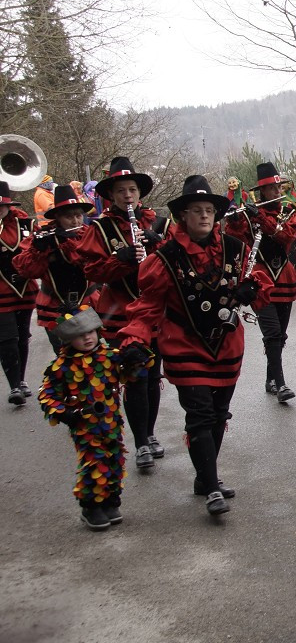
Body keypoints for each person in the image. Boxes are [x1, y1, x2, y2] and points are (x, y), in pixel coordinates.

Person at [119, 175, 269, 517]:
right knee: (199, 414)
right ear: (182, 216)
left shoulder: (237, 248)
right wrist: (134, 340)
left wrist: (252, 292)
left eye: (209, 210)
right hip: (183, 345)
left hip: (227, 347)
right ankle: (212, 486)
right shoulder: (165, 258)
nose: (204, 216)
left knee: (218, 414)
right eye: (196, 210)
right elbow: (147, 307)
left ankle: (205, 477)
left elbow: (260, 290)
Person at [76, 157, 166, 469]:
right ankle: (140, 441)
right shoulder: (100, 227)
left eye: (132, 190)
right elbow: (91, 270)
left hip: (153, 312)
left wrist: (159, 246)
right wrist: (122, 259)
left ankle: (151, 433)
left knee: (154, 376)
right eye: (121, 191)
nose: (128, 196)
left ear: (139, 193)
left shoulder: (154, 223)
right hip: (121, 314)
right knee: (135, 376)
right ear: (111, 196)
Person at [39, 306, 149, 530]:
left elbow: (130, 376)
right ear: (69, 339)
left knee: (114, 459)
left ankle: (109, 501)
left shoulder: (108, 356)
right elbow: (46, 395)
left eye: (90, 332)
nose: (87, 338)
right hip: (84, 425)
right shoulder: (62, 367)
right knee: (94, 463)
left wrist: (136, 361)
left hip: (111, 422)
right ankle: (91, 507)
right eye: (79, 335)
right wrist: (66, 414)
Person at [225, 162, 296, 404]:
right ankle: (281, 384)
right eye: (271, 188)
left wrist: (259, 216)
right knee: (272, 333)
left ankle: (270, 379)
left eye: (278, 187)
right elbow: (235, 241)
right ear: (261, 192)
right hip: (261, 281)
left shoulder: (289, 211)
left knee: (280, 335)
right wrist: (238, 220)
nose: (277, 192)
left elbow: (286, 236)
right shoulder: (250, 215)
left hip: (285, 280)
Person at [13, 184, 98, 354]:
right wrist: (39, 250)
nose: (75, 221)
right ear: (58, 218)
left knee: (94, 356)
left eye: (78, 216)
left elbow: (99, 267)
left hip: (88, 302)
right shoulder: (43, 238)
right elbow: (28, 271)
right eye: (69, 217)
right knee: (65, 356)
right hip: (54, 306)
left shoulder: (90, 234)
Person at [0, 181, 38, 406]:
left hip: (24, 287)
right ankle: (14, 385)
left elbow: (35, 249)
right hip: (1, 290)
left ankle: (22, 380)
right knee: (6, 339)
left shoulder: (26, 223)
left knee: (23, 336)